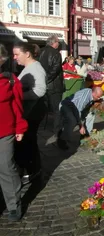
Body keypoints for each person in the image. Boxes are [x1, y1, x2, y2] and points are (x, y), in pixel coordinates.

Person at [0, 44, 27, 221]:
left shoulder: (11, 80)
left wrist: (20, 128)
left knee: (5, 167)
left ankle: (14, 204)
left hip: (5, 131)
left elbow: (17, 107)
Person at [13, 42, 47, 184]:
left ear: (27, 54)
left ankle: (32, 171)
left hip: (33, 111)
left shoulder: (35, 69)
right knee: (27, 142)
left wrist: (16, 94)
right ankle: (31, 169)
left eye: (16, 54)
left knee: (28, 142)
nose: (14, 57)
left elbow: (40, 90)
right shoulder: (29, 67)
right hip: (30, 110)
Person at [57, 87, 103, 151]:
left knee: (91, 115)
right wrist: (81, 126)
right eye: (98, 97)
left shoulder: (91, 93)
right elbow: (77, 112)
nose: (99, 98)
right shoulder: (84, 99)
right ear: (93, 93)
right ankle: (62, 138)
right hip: (66, 105)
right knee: (72, 121)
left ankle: (84, 137)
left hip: (78, 108)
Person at [39, 35, 64, 134]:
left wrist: (42, 81)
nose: (59, 44)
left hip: (42, 84)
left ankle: (42, 127)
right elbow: (55, 70)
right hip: (54, 86)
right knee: (57, 110)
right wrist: (47, 80)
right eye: (58, 42)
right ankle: (57, 131)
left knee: (43, 107)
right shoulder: (56, 53)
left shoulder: (40, 51)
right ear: (53, 42)